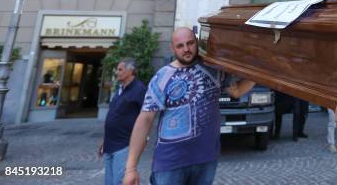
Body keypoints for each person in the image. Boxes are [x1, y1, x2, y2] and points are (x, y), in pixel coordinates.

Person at [122, 27, 255, 185]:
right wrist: (131, 168)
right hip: (170, 163)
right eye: (180, 46)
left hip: (206, 159)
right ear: (173, 48)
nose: (186, 49)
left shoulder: (213, 70)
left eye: (190, 43)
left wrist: (260, 73)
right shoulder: (162, 77)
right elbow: (145, 119)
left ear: (197, 42)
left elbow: (237, 91)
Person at [99, 58, 146, 185]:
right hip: (110, 145)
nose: (117, 72)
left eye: (120, 69)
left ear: (130, 71)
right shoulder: (120, 89)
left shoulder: (139, 90)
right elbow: (114, 115)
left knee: (120, 182)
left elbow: (146, 118)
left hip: (124, 146)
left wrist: (142, 142)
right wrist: (105, 141)